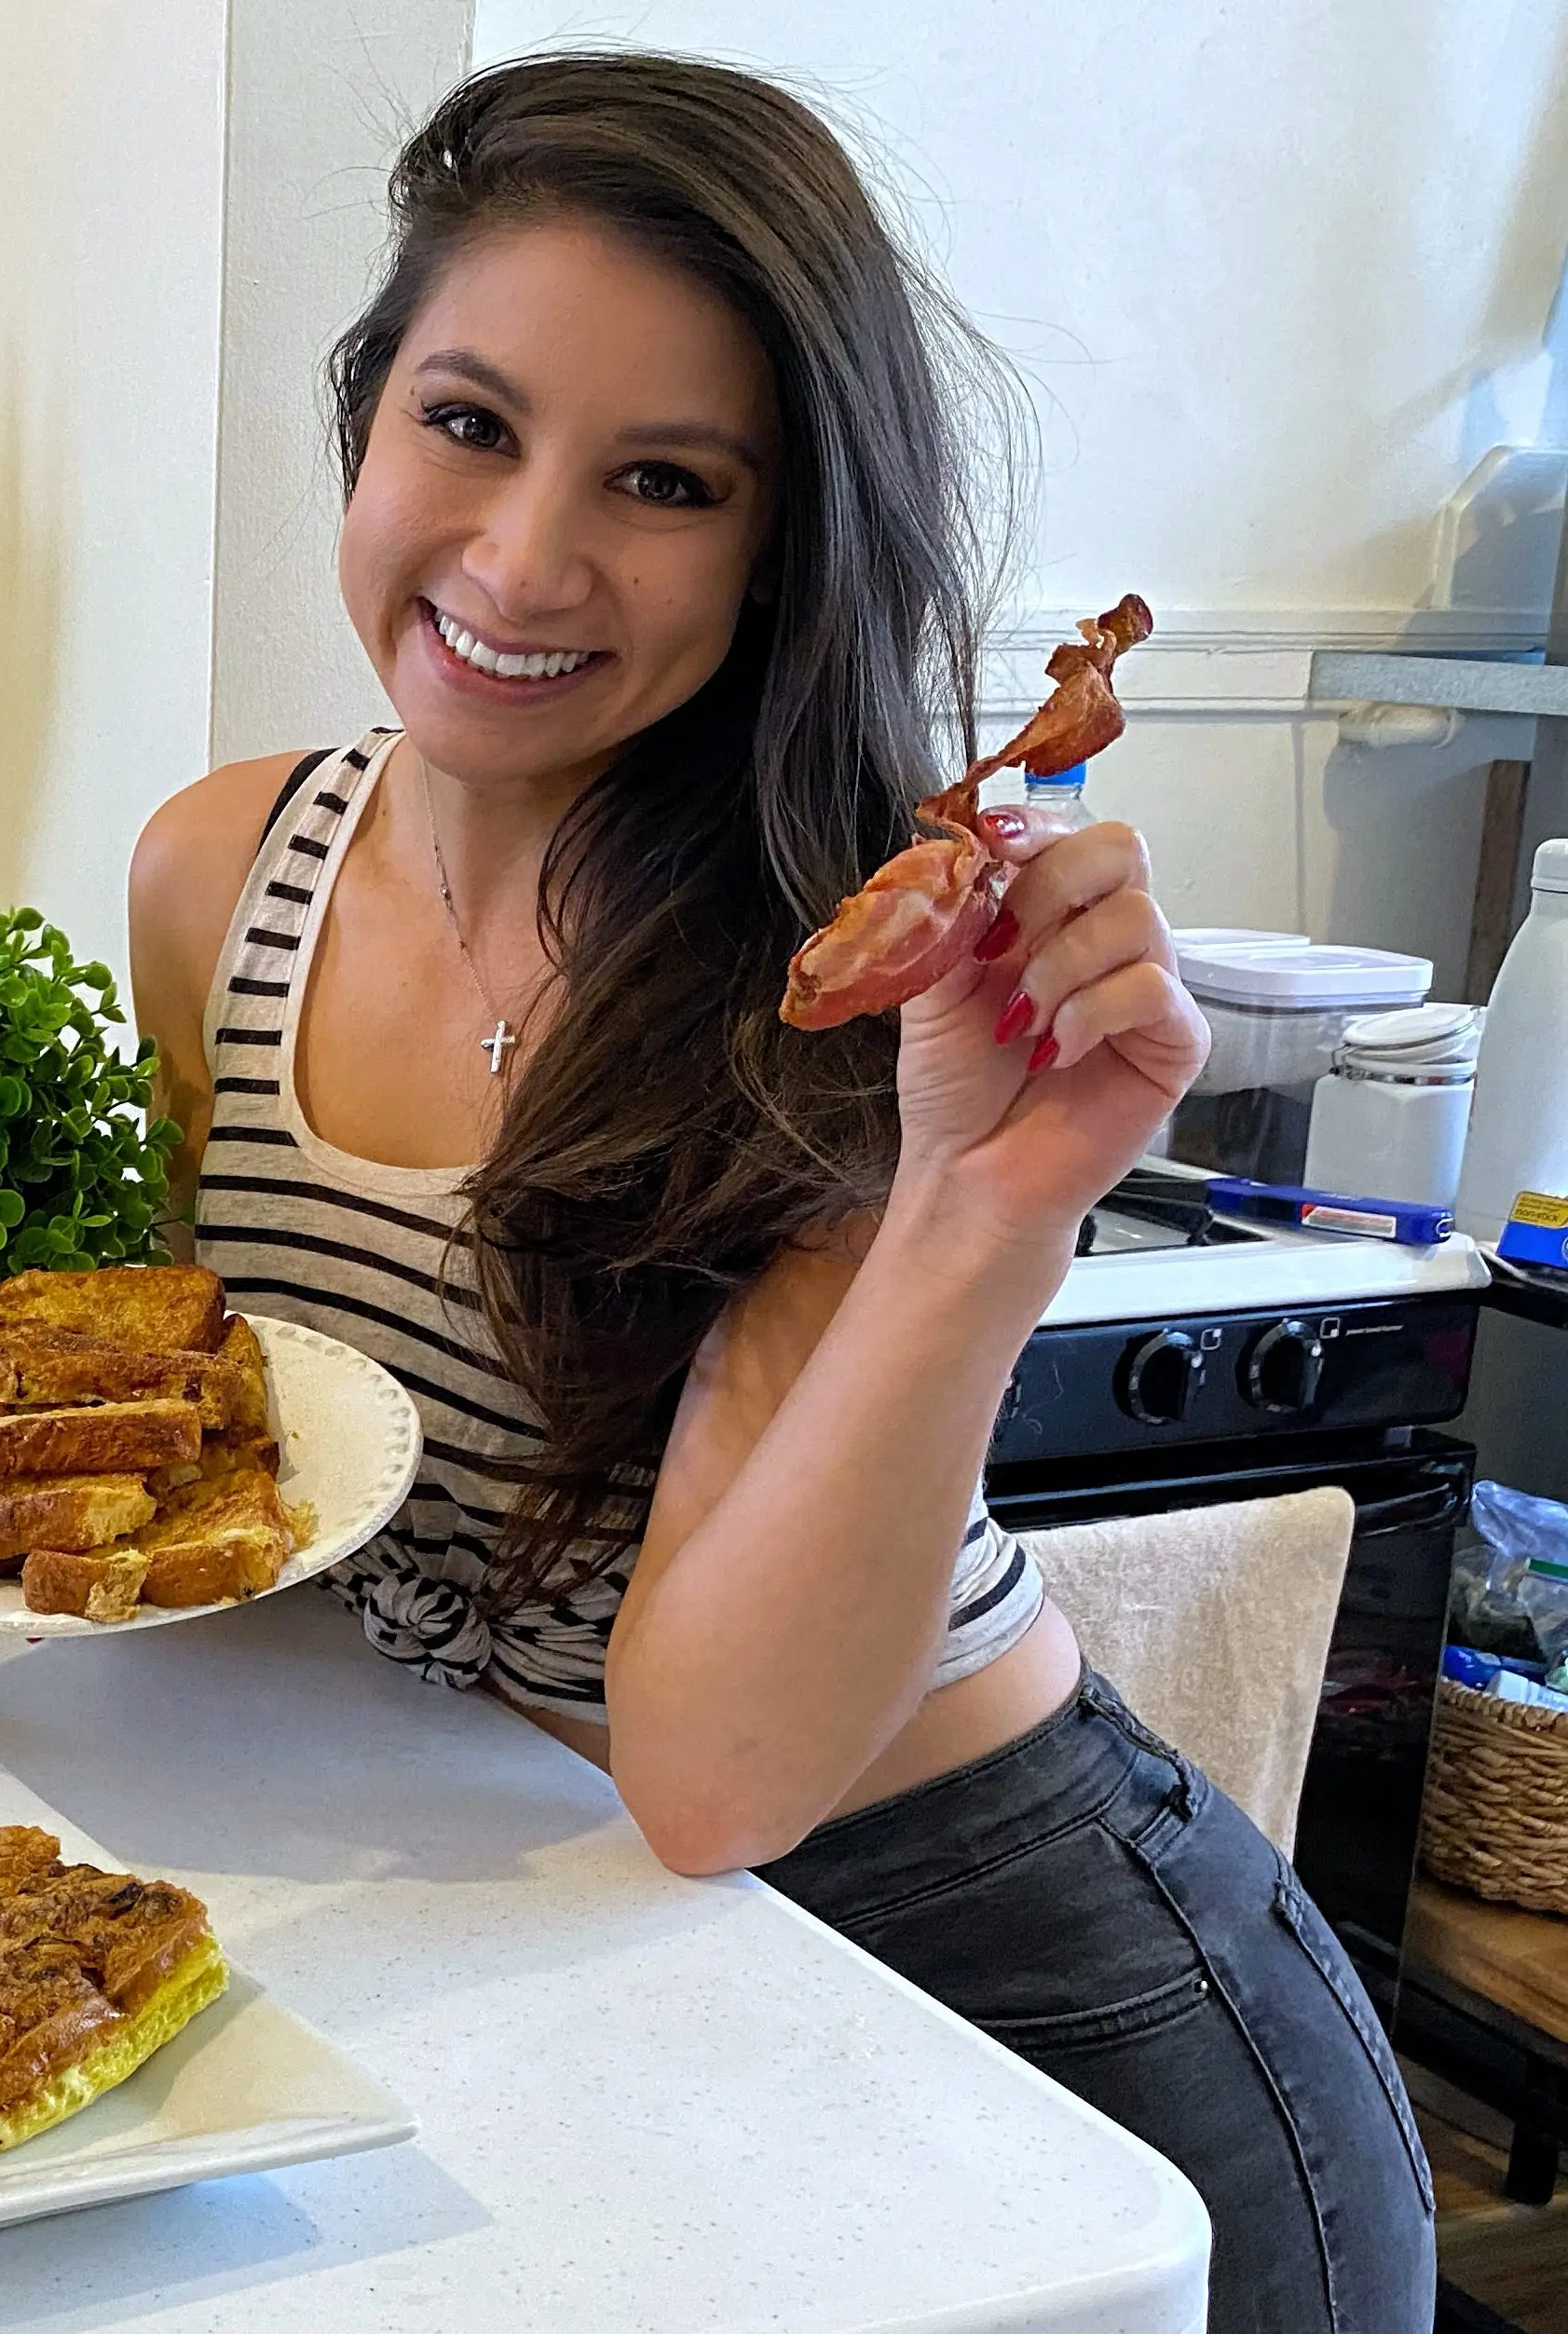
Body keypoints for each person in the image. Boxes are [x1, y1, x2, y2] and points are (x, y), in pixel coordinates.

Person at [128, 52, 1432, 2332]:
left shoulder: (847, 976)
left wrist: (980, 1213)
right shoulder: (216, 872)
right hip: (549, 1940)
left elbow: (712, 1774)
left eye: (659, 479)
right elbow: (203, 1474)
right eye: (465, 420)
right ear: (361, 418)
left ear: (775, 543)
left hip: (1025, 1999)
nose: (523, 557)